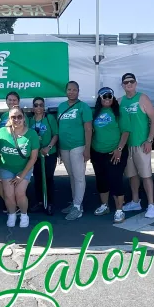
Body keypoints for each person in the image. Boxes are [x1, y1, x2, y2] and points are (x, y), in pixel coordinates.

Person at [119, 73, 154, 218]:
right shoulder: (120, 101)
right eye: (125, 82)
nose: (128, 84)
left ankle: (151, 205)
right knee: (132, 175)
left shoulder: (142, 98)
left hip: (141, 144)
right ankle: (135, 201)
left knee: (146, 175)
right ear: (122, 85)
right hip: (127, 146)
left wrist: (149, 140)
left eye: (131, 81)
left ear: (135, 83)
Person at [0, 106, 40, 228]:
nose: (17, 119)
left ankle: (24, 214)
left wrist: (22, 175)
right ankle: (12, 214)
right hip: (6, 168)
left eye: (19, 117)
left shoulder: (31, 134)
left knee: (19, 193)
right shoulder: (1, 132)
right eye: (13, 117)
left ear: (24, 118)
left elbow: (33, 158)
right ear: (9, 119)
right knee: (8, 194)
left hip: (24, 168)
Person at [90, 87, 130, 224]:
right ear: (99, 99)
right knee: (101, 180)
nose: (107, 99)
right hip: (97, 152)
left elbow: (125, 132)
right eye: (104, 97)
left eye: (109, 96)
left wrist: (119, 149)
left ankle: (119, 210)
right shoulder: (94, 113)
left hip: (115, 152)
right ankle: (104, 205)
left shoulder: (119, 112)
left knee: (115, 179)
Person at [57, 81, 93, 221]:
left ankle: (78, 207)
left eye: (74, 90)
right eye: (69, 89)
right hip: (64, 147)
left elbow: (88, 129)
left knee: (79, 177)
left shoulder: (83, 107)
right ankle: (75, 203)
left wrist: (87, 149)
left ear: (78, 91)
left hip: (78, 146)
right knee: (72, 176)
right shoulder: (61, 106)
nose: (71, 92)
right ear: (66, 91)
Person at [30, 96, 59, 215]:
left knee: (48, 178)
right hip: (35, 155)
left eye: (41, 105)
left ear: (44, 107)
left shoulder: (49, 118)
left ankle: (49, 203)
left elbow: (56, 135)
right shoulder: (30, 120)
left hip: (49, 154)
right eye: (36, 105)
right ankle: (40, 202)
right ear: (33, 107)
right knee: (37, 178)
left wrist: (49, 147)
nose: (38, 107)